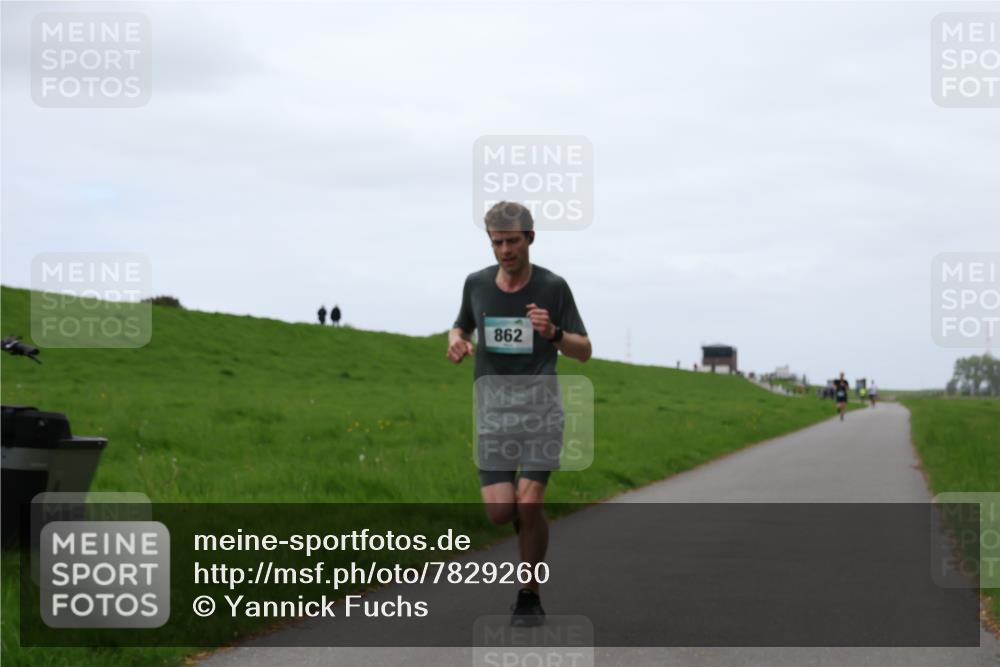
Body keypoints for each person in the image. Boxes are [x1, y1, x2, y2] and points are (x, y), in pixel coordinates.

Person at [447, 201, 591, 627]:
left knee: (529, 503)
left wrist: (554, 333)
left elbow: (584, 351)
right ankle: (528, 531)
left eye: (512, 241)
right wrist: (454, 339)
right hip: (492, 416)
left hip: (541, 412)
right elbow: (461, 325)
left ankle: (528, 594)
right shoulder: (476, 284)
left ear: (530, 237)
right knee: (500, 512)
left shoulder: (553, 287)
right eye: (497, 243)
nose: (505, 250)